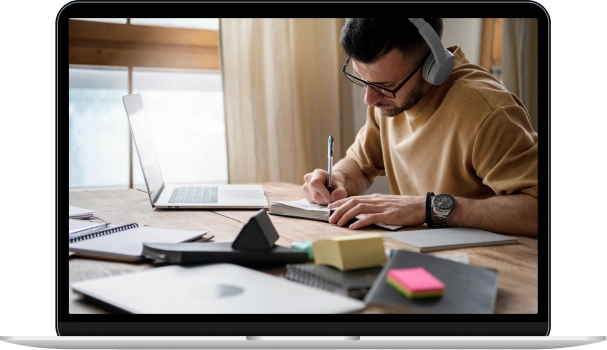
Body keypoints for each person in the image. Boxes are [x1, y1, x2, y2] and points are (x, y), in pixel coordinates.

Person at [302, 18, 538, 238]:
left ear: (432, 67)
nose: (369, 99)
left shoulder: (487, 111)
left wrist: (430, 208)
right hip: (421, 251)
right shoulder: (386, 102)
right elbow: (361, 167)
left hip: (497, 265)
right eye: (364, 80)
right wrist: (338, 180)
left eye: (385, 85)